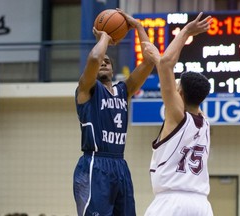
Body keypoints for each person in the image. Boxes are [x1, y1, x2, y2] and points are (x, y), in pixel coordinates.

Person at [73, 8, 154, 216]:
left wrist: (138, 26)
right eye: (102, 60)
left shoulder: (123, 90)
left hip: (120, 165)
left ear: (112, 69)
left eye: (108, 61)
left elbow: (150, 60)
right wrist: (105, 38)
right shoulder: (86, 89)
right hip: (94, 164)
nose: (103, 62)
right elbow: (93, 59)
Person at [141, 12, 214, 216]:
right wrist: (156, 57)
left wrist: (186, 31)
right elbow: (163, 63)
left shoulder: (176, 117)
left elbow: (166, 64)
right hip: (202, 205)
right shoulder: (205, 122)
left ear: (179, 92)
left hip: (171, 203)